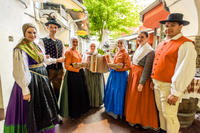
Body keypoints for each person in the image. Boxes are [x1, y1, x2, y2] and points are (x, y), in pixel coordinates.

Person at [4, 23, 59, 133]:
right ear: (24, 32)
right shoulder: (20, 48)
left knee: (42, 109)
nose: (32, 35)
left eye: (34, 32)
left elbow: (42, 61)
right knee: (31, 110)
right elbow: (20, 70)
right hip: (31, 82)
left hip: (41, 82)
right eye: (29, 32)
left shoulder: (35, 45)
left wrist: (56, 60)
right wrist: (25, 89)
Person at [151, 13, 197, 133]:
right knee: (161, 112)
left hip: (169, 86)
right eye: (166, 26)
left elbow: (185, 70)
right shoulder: (162, 43)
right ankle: (163, 130)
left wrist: (176, 92)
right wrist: (153, 80)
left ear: (180, 26)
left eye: (172, 25)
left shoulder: (186, 44)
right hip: (157, 84)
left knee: (170, 116)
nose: (168, 28)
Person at [124, 31, 158, 130]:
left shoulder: (150, 51)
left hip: (141, 77)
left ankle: (142, 121)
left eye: (142, 37)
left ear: (147, 38)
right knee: (134, 98)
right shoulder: (139, 48)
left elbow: (147, 69)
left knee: (140, 100)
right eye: (138, 37)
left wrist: (141, 83)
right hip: (134, 75)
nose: (139, 39)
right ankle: (133, 119)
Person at [59, 37, 90, 118]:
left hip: (80, 74)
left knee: (81, 91)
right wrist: (76, 70)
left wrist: (83, 65)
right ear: (71, 42)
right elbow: (67, 66)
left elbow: (79, 62)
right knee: (74, 93)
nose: (75, 43)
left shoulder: (79, 52)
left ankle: (81, 109)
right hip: (73, 75)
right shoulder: (68, 52)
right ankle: (74, 112)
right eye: (74, 42)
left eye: (76, 42)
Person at [103, 39, 131, 119]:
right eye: (118, 43)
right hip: (114, 74)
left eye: (121, 43)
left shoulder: (125, 53)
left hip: (121, 76)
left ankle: (118, 112)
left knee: (118, 92)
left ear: (124, 44)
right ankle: (111, 109)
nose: (119, 44)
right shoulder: (117, 52)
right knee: (112, 91)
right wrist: (110, 63)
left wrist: (118, 68)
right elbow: (115, 63)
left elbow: (128, 66)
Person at [40, 16, 65, 101]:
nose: (53, 29)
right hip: (48, 70)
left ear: (57, 29)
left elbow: (63, 56)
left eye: (55, 27)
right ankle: (47, 111)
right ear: (47, 28)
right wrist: (57, 60)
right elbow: (43, 58)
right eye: (51, 27)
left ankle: (55, 110)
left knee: (57, 91)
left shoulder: (60, 42)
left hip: (59, 70)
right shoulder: (42, 41)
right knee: (45, 90)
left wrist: (63, 70)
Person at [84, 43, 105, 108]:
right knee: (89, 86)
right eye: (91, 46)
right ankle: (90, 102)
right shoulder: (86, 54)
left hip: (97, 73)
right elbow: (83, 63)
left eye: (94, 46)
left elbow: (101, 63)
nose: (92, 47)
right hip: (89, 72)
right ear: (89, 46)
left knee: (97, 86)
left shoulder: (99, 55)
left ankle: (97, 102)